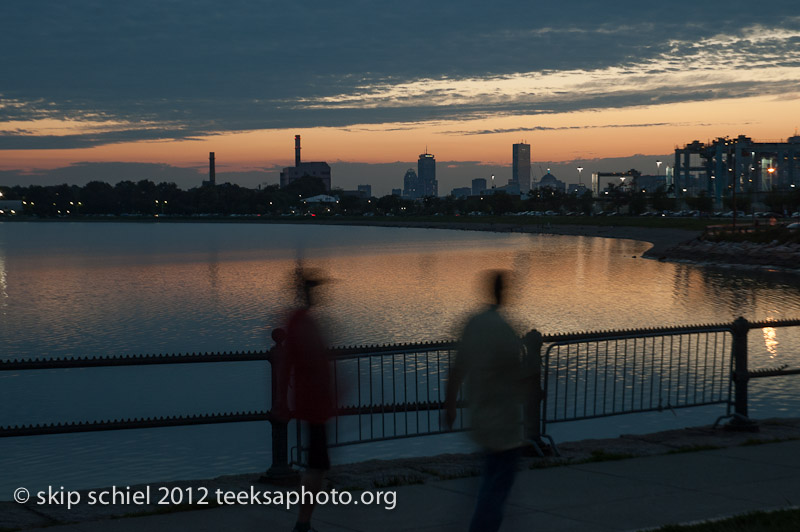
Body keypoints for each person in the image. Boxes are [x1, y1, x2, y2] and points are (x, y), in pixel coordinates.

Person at [445, 270, 532, 532]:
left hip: (481, 419)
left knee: (489, 483)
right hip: (504, 425)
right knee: (495, 493)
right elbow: (519, 377)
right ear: (504, 292)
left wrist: (449, 405)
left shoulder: (474, 323)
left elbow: (458, 368)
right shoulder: (505, 330)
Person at [282, 267, 334, 532]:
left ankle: (304, 522)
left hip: (314, 404)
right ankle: (303, 524)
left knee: (317, 466)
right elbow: (300, 362)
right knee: (316, 467)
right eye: (315, 289)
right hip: (314, 406)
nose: (319, 294)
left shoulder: (301, 321)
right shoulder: (301, 322)